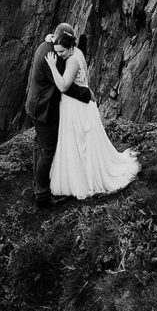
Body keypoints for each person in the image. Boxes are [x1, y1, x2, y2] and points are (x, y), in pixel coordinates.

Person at [46, 31, 141, 200]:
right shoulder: (74, 54)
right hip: (77, 105)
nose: (59, 55)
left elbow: (63, 86)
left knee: (81, 142)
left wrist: (52, 66)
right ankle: (80, 174)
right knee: (78, 141)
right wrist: (50, 38)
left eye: (61, 52)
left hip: (77, 107)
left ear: (71, 47)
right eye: (57, 51)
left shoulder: (73, 61)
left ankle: (85, 180)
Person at [25, 23, 92, 208]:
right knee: (47, 151)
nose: (61, 53)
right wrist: (86, 95)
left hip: (36, 105)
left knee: (39, 145)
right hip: (43, 109)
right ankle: (42, 196)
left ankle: (38, 185)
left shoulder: (47, 45)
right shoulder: (51, 56)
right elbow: (64, 86)